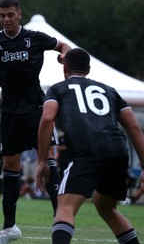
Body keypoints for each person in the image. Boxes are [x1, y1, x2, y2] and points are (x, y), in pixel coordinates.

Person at [0, 0, 71, 244]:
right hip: (9, 111)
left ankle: (61, 222)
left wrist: (64, 56)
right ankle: (10, 228)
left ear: (19, 14)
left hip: (36, 108)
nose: (6, 19)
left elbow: (63, 46)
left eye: (10, 14)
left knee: (49, 160)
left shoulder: (35, 37)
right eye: (2, 15)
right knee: (10, 166)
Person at [36, 48, 144, 244]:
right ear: (89, 69)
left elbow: (47, 119)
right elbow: (133, 126)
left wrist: (42, 160)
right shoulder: (109, 90)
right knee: (106, 207)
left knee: (65, 208)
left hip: (86, 150)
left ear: (65, 68)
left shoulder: (57, 89)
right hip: (117, 152)